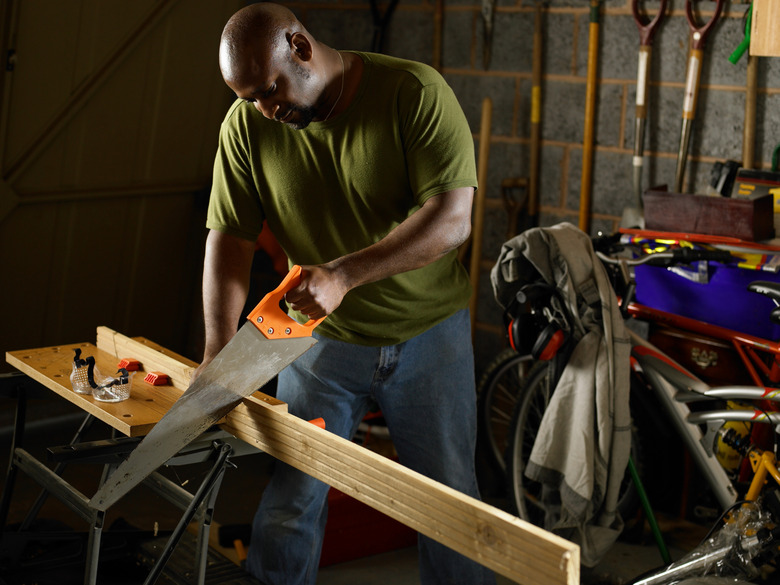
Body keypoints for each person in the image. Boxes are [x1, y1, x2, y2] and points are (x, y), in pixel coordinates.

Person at [198, 3, 495, 584]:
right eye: (249, 98)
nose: (265, 109)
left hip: (430, 339)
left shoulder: (413, 92)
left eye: (270, 89)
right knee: (290, 504)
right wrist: (216, 351)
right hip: (318, 345)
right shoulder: (248, 126)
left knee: (450, 509)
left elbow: (452, 219)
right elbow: (228, 239)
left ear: (300, 47)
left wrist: (343, 275)